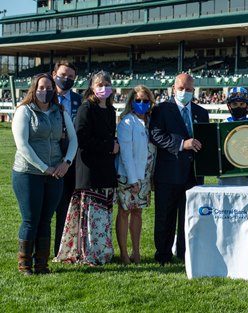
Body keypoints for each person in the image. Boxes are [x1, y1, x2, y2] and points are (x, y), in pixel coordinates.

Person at [12, 73, 77, 274]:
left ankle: (41, 264)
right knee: (30, 219)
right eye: (41, 87)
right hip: (28, 173)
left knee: (46, 220)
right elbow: (22, 144)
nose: (45, 91)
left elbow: (74, 140)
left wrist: (66, 163)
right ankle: (25, 264)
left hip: (55, 175)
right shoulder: (24, 111)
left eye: (49, 88)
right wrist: (44, 167)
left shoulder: (60, 111)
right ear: (34, 88)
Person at [55, 71, 119, 265]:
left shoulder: (110, 110)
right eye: (99, 84)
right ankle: (86, 252)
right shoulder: (86, 108)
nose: (103, 88)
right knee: (90, 215)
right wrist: (109, 146)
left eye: (106, 84)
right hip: (89, 168)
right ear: (92, 87)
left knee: (103, 215)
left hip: (106, 169)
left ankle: (101, 251)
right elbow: (82, 138)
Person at [149, 73, 209, 265]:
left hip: (193, 175)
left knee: (189, 217)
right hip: (168, 174)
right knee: (165, 217)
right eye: (181, 88)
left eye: (189, 89)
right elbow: (156, 135)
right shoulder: (162, 109)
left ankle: (185, 253)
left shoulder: (202, 112)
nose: (185, 92)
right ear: (173, 89)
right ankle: (163, 254)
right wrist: (182, 144)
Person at [115, 85, 156, 265]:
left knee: (138, 212)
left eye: (145, 101)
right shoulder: (127, 122)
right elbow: (126, 153)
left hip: (146, 174)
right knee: (124, 212)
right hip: (128, 174)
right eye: (138, 100)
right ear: (131, 101)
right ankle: (124, 254)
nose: (141, 104)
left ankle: (136, 252)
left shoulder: (151, 121)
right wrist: (133, 179)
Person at [52, 60, 82, 256]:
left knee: (67, 208)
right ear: (54, 74)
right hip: (49, 158)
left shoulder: (79, 101)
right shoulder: (45, 97)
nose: (66, 79)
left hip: (72, 160)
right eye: (63, 75)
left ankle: (61, 251)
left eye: (70, 77)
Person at [218, 87, 248, 186]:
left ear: (247, 106)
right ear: (229, 106)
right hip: (227, 173)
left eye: (242, 104)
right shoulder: (224, 124)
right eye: (235, 104)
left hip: (247, 172)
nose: (238, 107)